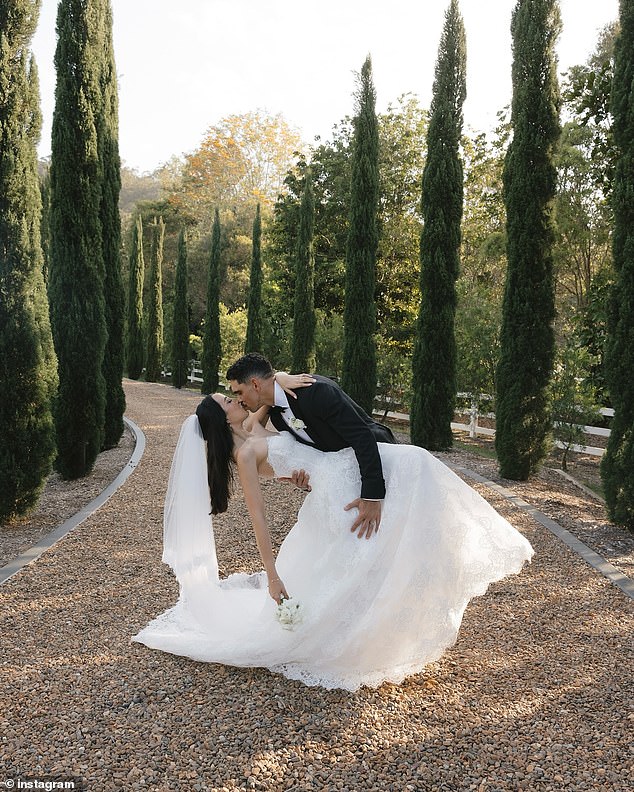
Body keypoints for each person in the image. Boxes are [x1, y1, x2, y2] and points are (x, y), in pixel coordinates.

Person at [133, 372, 534, 692]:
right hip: (338, 494)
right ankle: (370, 632)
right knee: (368, 553)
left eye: (235, 394)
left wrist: (284, 381)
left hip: (339, 477)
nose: (235, 399)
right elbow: (259, 519)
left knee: (416, 479)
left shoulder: (259, 421)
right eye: (227, 401)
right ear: (222, 419)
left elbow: (272, 401)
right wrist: (273, 575)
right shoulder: (245, 453)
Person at [226, 353, 397, 538]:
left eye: (239, 392)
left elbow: (362, 437)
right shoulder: (277, 416)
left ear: (255, 384)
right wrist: (308, 480)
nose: (239, 399)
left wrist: (372, 496)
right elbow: (319, 449)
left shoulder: (315, 391)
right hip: (349, 478)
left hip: (383, 460)